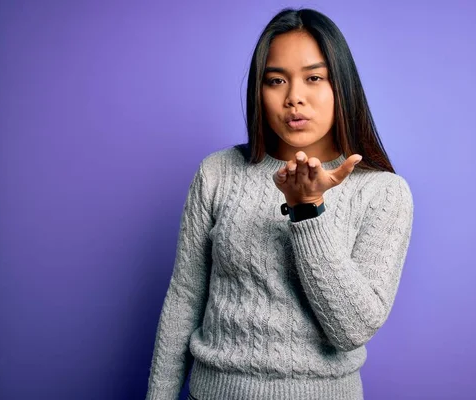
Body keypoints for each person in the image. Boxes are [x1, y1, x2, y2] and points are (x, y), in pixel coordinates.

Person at [146, 7, 414, 400]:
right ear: (259, 90)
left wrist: (308, 209)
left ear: (342, 86)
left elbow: (351, 329)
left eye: (314, 78)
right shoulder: (218, 172)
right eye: (276, 80)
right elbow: (185, 298)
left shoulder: (382, 191)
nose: (294, 98)